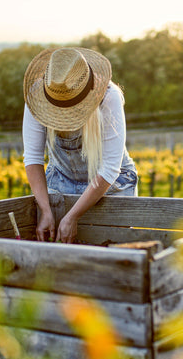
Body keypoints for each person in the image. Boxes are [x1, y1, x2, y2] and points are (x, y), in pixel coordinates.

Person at [22, 47, 138, 244]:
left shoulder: (109, 97)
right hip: (61, 180)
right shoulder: (36, 98)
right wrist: (45, 210)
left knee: (116, 256)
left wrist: (72, 216)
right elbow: (33, 157)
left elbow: (110, 168)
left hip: (111, 185)